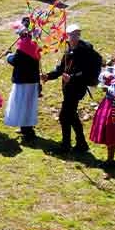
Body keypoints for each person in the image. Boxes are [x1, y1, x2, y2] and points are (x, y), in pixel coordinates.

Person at [43, 24, 102, 153]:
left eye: (77, 34)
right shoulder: (69, 50)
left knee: (65, 116)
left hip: (77, 88)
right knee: (71, 115)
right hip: (68, 88)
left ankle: (66, 145)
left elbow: (85, 72)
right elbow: (61, 69)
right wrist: (48, 76)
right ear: (67, 36)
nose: (75, 37)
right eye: (72, 35)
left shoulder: (84, 52)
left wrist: (72, 78)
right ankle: (81, 144)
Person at [2, 25, 42, 143]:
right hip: (32, 80)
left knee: (22, 104)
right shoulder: (34, 44)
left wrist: (8, 55)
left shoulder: (23, 45)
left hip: (22, 81)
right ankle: (26, 127)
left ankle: (27, 130)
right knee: (28, 104)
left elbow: (16, 61)